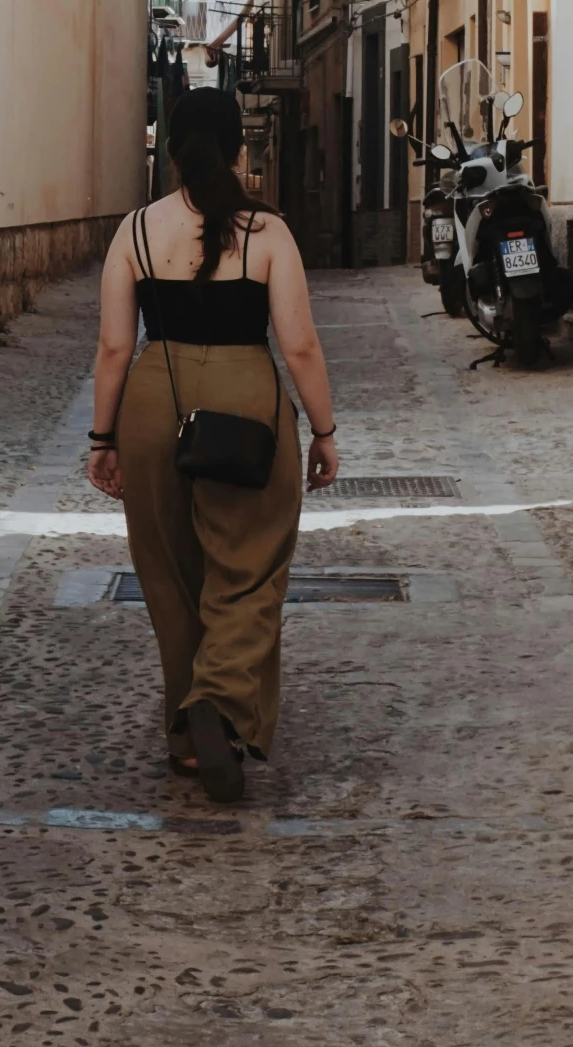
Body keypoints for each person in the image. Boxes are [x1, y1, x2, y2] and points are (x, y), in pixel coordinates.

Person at [85, 88, 339, 803]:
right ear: (236, 150)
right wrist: (322, 429)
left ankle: (188, 738)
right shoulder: (268, 233)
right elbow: (299, 344)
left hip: (150, 400)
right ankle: (217, 704)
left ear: (170, 152)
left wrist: (102, 437)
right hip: (244, 399)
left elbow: (112, 346)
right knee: (251, 563)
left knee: (169, 572)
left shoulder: (134, 230)